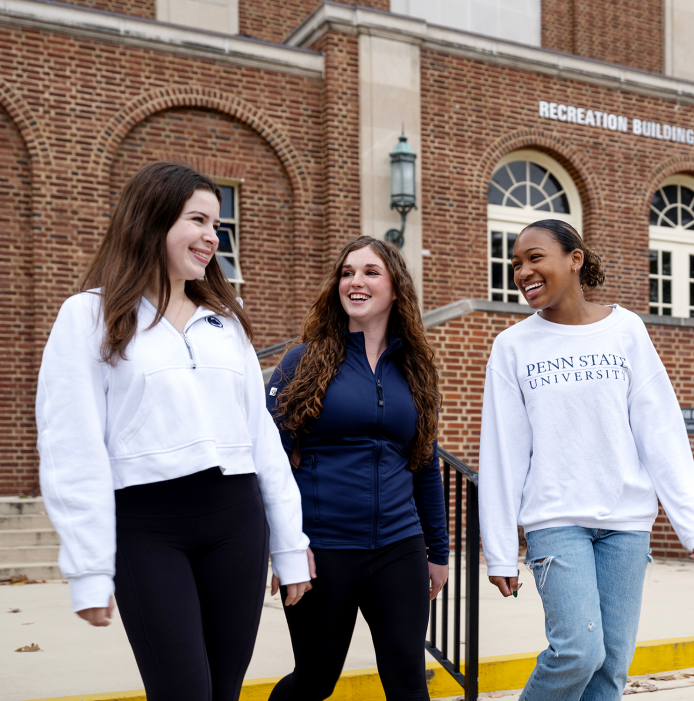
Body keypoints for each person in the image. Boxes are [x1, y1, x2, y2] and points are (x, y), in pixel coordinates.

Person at [36, 162, 311, 701]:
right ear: (152, 220)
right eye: (198, 220)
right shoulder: (87, 317)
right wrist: (88, 566)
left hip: (237, 523)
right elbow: (72, 447)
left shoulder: (224, 322)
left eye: (217, 224)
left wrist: (290, 546)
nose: (212, 236)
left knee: (223, 692)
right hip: (148, 527)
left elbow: (263, 443)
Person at [478, 219, 694, 701]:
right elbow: (502, 452)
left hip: (626, 524)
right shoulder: (513, 346)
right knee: (578, 651)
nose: (523, 271)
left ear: (575, 258)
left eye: (534, 258)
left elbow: (660, 429)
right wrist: (499, 548)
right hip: (556, 519)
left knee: (611, 667)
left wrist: (691, 524)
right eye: (516, 264)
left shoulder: (626, 330)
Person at [265, 236, 449, 701]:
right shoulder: (301, 361)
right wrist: (283, 544)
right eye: (347, 272)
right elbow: (270, 459)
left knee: (408, 678)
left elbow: (424, 463)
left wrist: (438, 552)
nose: (355, 281)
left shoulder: (415, 369)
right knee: (315, 679)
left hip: (399, 546)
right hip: (323, 548)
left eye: (370, 272)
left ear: (395, 288)